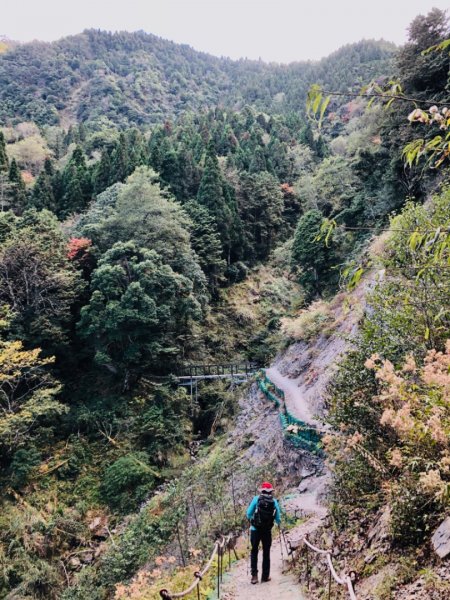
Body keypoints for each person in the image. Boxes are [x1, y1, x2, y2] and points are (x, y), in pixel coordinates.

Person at [246, 481, 281, 584]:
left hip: (255, 530)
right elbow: (278, 518)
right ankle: (265, 576)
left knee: (254, 551)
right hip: (267, 531)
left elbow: (248, 514)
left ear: (262, 490)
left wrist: (253, 520)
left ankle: (254, 577)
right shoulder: (274, 501)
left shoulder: (256, 499)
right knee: (266, 552)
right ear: (271, 491)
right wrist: (278, 524)